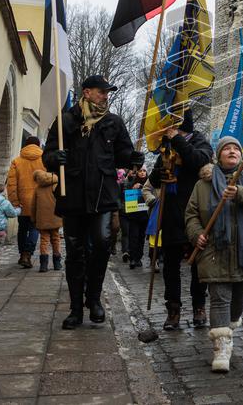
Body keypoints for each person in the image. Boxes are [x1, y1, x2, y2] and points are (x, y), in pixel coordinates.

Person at [43, 74, 141, 330]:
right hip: (72, 196)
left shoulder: (113, 122)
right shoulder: (66, 121)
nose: (106, 95)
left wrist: (134, 158)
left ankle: (94, 299)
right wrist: (57, 158)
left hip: (103, 195)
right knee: (75, 253)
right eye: (101, 91)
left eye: (107, 92)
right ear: (87, 93)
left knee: (101, 244)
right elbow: (47, 157)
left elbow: (122, 156)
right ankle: (76, 309)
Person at [186, 136, 243, 372]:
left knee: (238, 303)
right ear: (218, 155)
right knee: (220, 298)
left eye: (236, 149)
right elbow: (191, 214)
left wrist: (239, 192)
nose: (232, 151)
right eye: (227, 149)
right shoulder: (203, 184)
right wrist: (197, 233)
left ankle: (227, 333)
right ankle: (221, 348)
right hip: (215, 251)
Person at [140, 110, 213, 330]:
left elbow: (198, 161)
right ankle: (173, 309)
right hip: (171, 213)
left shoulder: (200, 141)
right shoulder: (166, 145)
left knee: (198, 265)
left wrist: (177, 139)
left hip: (196, 212)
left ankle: (199, 307)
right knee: (170, 265)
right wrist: (161, 170)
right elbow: (153, 179)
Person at [7, 135, 45, 268]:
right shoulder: (44, 160)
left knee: (22, 229)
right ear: (39, 145)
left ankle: (22, 253)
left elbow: (11, 184)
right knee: (35, 228)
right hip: (38, 201)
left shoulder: (17, 161)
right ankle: (28, 253)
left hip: (22, 202)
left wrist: (14, 201)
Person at [33, 169, 64, 272]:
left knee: (44, 240)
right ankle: (57, 263)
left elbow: (33, 205)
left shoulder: (38, 188)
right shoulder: (56, 185)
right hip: (56, 217)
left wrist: (34, 219)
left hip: (42, 218)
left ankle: (44, 265)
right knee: (56, 239)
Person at [121, 166, 149, 269]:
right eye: (140, 171)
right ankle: (132, 258)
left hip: (145, 215)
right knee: (133, 236)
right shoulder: (131, 181)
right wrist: (132, 188)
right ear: (137, 173)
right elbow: (124, 193)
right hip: (133, 215)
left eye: (144, 171)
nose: (142, 173)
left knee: (141, 237)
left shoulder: (149, 182)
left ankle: (138, 258)